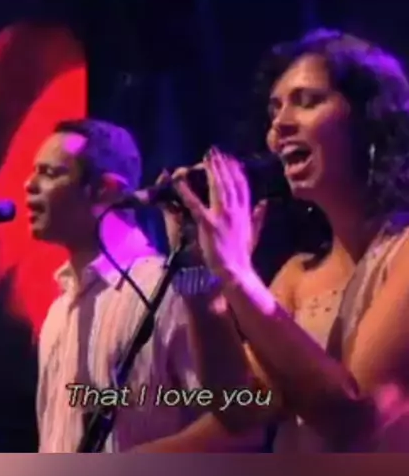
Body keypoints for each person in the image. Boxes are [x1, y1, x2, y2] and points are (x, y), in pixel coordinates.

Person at [173, 29, 409, 451]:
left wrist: (238, 272)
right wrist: (203, 284)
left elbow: (356, 420)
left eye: (308, 101)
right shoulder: (297, 276)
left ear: (369, 120)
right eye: (275, 109)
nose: (278, 126)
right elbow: (239, 409)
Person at [25, 117, 265, 452]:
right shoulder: (58, 310)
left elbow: (239, 427)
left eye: (50, 173)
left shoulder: (169, 290)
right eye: (34, 171)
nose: (29, 184)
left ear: (106, 189)